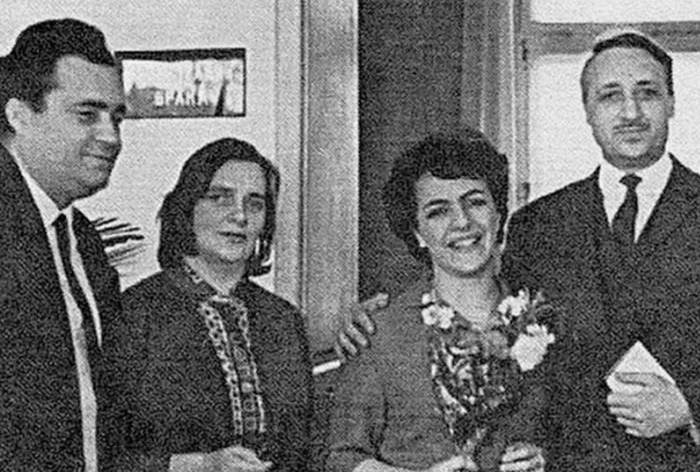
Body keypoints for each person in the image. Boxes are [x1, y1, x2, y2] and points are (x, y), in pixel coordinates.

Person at [338, 30, 700, 471]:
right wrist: (371, 316)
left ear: (672, 102)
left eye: (647, 93)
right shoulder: (539, 224)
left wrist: (690, 407)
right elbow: (471, 286)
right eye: (610, 96)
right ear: (587, 110)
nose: (631, 112)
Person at [325, 133, 547, 472]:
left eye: (475, 202)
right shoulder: (378, 332)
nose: (462, 221)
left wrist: (544, 458)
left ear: (499, 214)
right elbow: (342, 458)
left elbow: (575, 437)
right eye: (438, 211)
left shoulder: (541, 320)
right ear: (417, 233)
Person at [104, 138, 313, 471]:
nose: (240, 215)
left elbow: (305, 447)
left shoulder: (283, 319)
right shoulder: (135, 314)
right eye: (219, 198)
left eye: (255, 203)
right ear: (187, 208)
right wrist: (199, 465)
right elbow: (100, 455)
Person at [0, 18, 126, 470]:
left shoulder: (81, 238)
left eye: (116, 117)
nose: (111, 137)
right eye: (87, 115)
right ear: (19, 115)